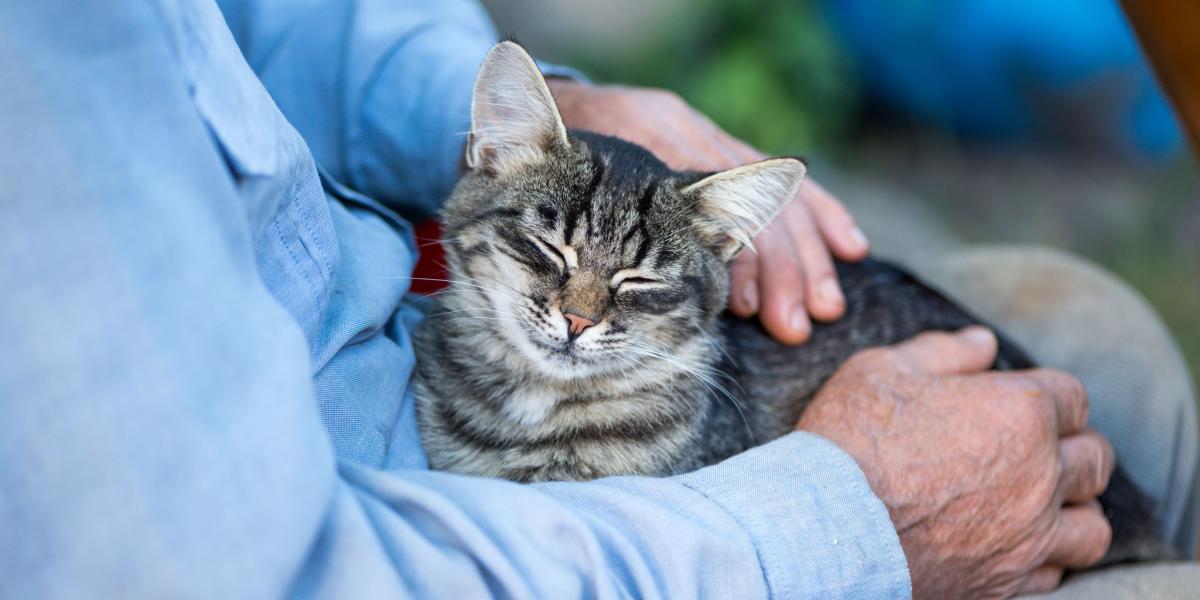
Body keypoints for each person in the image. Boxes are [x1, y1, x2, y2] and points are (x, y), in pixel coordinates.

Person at [0, 0, 1194, 598]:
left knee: (1102, 334)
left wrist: (553, 114)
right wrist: (851, 520)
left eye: (618, 288)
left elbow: (282, 20)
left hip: (395, 351)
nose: (575, 314)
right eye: (552, 269)